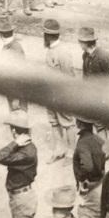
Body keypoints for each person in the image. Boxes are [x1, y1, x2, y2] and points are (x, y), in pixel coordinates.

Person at [0, 110, 38, 218]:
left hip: (21, 198)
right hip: (20, 196)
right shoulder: (25, 147)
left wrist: (14, 143)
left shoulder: (26, 152)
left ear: (14, 131)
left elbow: (1, 156)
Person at [43, 18, 75, 162]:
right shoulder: (50, 50)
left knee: (68, 123)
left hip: (61, 95)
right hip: (50, 94)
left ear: (48, 35)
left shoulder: (62, 52)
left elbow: (69, 77)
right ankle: (59, 150)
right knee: (54, 122)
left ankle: (71, 152)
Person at [73, 118, 106, 218]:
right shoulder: (98, 139)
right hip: (101, 184)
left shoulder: (82, 143)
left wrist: (82, 180)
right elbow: (106, 154)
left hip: (90, 188)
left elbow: (87, 165)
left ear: (79, 124)